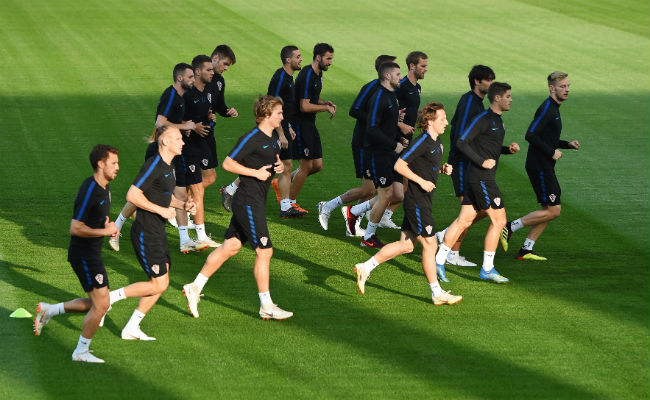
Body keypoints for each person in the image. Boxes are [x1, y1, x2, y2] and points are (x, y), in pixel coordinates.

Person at [182, 95, 293, 320]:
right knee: (265, 251)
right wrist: (254, 173)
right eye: (279, 113)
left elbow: (269, 161)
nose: (283, 116)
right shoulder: (251, 137)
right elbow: (227, 163)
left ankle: (194, 286)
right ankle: (266, 305)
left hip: (256, 201)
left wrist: (278, 166)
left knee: (230, 247)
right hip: (247, 202)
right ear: (266, 115)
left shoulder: (272, 137)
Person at [354, 102, 462, 305]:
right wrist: (421, 181)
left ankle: (365, 267)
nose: (446, 122)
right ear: (430, 121)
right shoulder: (421, 142)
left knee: (406, 246)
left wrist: (440, 169)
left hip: (423, 201)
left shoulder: (436, 143)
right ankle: (437, 293)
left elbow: (423, 167)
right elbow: (399, 165)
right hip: (417, 201)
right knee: (430, 244)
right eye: (442, 119)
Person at [108, 126, 197, 340]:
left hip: (157, 231)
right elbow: (132, 194)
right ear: (165, 142)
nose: (182, 142)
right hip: (145, 232)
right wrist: (162, 211)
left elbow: (163, 197)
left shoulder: (169, 166)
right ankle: (110, 298)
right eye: (178, 138)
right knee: (159, 283)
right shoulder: (155, 165)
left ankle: (132, 327)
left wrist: (182, 205)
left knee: (161, 282)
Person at [34, 144, 120, 363]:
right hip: (83, 254)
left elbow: (95, 218)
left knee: (100, 302)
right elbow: (75, 227)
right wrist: (105, 230)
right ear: (100, 164)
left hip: (93, 253)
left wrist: (105, 224)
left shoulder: (105, 187)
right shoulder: (90, 189)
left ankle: (49, 311)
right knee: (101, 305)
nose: (117, 167)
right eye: (113, 163)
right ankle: (81, 352)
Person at [109, 63, 204, 254]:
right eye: (190, 77)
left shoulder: (180, 97)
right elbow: (160, 122)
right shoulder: (170, 96)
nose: (194, 80)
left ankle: (184, 240)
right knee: (141, 195)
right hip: (159, 152)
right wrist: (186, 127)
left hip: (173, 152)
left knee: (181, 194)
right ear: (179, 78)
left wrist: (186, 124)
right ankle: (116, 227)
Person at [434, 82, 520, 283]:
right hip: (481, 177)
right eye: (508, 96)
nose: (511, 99)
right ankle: (487, 269)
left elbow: (489, 147)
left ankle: (438, 261)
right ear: (497, 98)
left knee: (464, 220)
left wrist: (508, 150)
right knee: (499, 221)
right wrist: (481, 161)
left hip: (480, 178)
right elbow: (461, 142)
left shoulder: (498, 121)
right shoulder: (482, 119)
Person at [500, 71, 579, 260]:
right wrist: (551, 152)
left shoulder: (554, 108)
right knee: (554, 209)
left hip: (545, 165)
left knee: (548, 211)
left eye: (568, 86)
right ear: (552, 88)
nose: (567, 90)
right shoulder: (548, 108)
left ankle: (526, 249)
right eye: (562, 87)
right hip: (540, 166)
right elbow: (531, 134)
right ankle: (510, 227)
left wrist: (566, 144)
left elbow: (547, 138)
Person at [317, 55, 396, 233]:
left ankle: (352, 225)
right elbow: (354, 110)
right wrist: (375, 120)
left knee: (371, 190)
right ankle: (328, 206)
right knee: (368, 189)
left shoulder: (387, 91)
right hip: (363, 143)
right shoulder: (371, 88)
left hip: (375, 145)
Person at [435, 65, 495, 267]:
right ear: (477, 81)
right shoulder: (470, 103)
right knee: (470, 211)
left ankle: (446, 235)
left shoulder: (474, 102)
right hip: (462, 164)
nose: (492, 84)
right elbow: (461, 138)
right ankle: (452, 252)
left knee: (482, 209)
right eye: (488, 80)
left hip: (468, 164)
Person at [347, 61, 404, 248]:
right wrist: (392, 144)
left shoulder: (391, 96)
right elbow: (372, 129)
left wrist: (397, 139)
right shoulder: (380, 97)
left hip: (385, 152)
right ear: (387, 76)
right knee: (385, 195)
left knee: (388, 194)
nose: (400, 77)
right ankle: (367, 235)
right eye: (397, 74)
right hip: (378, 153)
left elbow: (385, 125)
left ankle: (357, 216)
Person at [287, 43, 337, 213]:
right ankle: (290, 204)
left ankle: (281, 183)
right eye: (328, 58)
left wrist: (324, 102)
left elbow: (311, 98)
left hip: (309, 123)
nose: (330, 62)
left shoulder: (318, 74)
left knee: (317, 166)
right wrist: (325, 108)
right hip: (300, 123)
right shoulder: (307, 74)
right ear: (318, 57)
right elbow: (304, 106)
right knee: (306, 166)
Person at [181, 54, 220, 248]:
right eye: (209, 70)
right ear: (197, 72)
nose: (213, 72)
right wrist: (192, 127)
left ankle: (178, 203)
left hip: (204, 143)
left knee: (210, 178)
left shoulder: (207, 91)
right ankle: (201, 235)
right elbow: (171, 119)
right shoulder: (187, 94)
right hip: (189, 147)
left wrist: (210, 118)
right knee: (198, 191)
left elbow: (205, 113)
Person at [266, 45, 306, 218]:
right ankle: (231, 189)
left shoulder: (289, 78)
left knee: (283, 166)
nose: (301, 59)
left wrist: (288, 126)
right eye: (298, 56)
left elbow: (285, 107)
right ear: (288, 60)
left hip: (283, 126)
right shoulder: (281, 78)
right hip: (275, 128)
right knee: (269, 166)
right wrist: (281, 133)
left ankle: (286, 206)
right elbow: (271, 106)